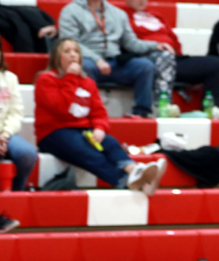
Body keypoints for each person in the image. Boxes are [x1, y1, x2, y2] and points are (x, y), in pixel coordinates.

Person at [35, 38, 166, 196]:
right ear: (57, 56)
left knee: (110, 142)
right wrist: (70, 78)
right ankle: (127, 182)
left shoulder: (87, 82)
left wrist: (99, 128)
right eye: (67, 51)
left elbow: (98, 111)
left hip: (82, 131)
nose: (73, 55)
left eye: (76, 51)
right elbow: (61, 109)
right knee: (89, 153)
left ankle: (134, 170)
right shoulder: (46, 79)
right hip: (53, 133)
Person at [123, 0, 219, 120]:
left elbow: (174, 39)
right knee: (165, 56)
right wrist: (156, 46)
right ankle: (164, 106)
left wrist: (177, 53)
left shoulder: (157, 15)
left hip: (173, 58)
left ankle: (211, 109)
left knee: (215, 64)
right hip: (148, 59)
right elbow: (130, 44)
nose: (141, 0)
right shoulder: (122, 16)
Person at [59, 0, 166, 118]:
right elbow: (70, 43)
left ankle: (142, 112)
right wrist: (97, 59)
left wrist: (155, 45)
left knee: (145, 66)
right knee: (82, 66)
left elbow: (131, 42)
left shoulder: (118, 13)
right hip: (88, 60)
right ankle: (89, 112)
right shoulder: (70, 11)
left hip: (114, 61)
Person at [0, 47, 38, 192]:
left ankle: (17, 191)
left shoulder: (10, 78)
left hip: (6, 133)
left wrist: (5, 134)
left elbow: (16, 113)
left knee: (27, 153)